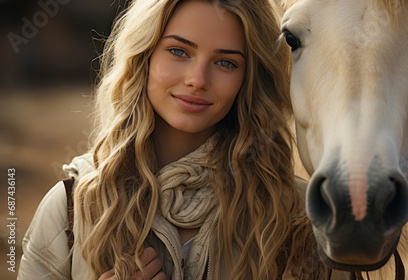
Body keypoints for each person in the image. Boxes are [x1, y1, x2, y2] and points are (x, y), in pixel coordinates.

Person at [18, 0, 335, 279]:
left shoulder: (306, 217)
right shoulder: (70, 209)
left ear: (250, 77)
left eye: (226, 62)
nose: (197, 80)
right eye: (178, 51)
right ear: (145, 56)